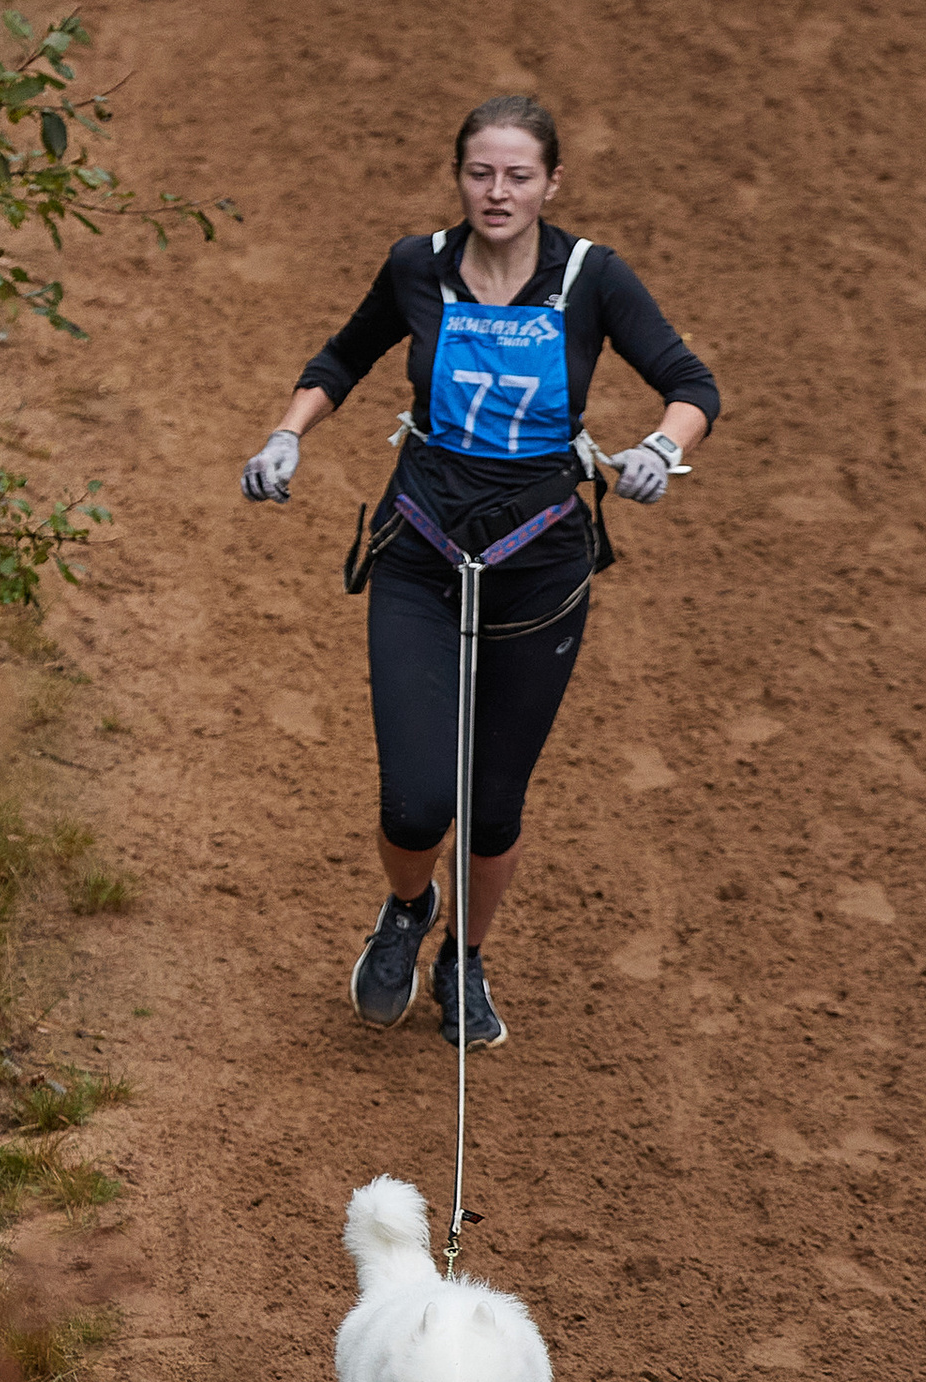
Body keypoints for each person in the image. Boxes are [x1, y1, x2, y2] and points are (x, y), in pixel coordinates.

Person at [238, 94, 718, 1050]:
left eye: (519, 175)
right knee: (417, 801)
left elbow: (691, 385)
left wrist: (661, 450)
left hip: (537, 570)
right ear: (459, 176)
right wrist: (287, 435)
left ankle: (464, 956)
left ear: (551, 183)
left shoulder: (591, 278)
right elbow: (343, 356)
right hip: (419, 556)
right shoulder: (417, 265)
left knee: (493, 805)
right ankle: (407, 910)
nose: (497, 192)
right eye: (480, 173)